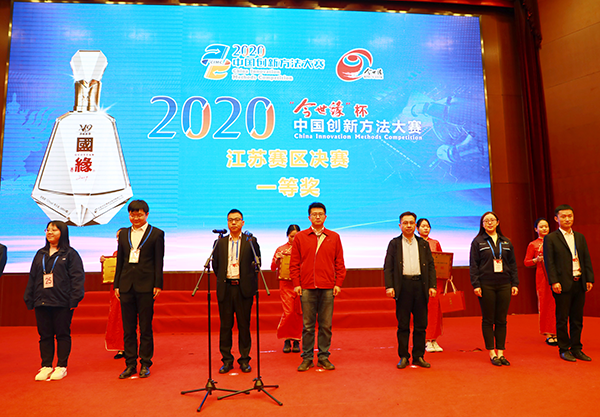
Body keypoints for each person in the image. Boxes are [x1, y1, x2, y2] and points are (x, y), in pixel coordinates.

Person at [24, 221, 85, 381]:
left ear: (62, 233)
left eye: (54, 230)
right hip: (41, 300)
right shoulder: (40, 253)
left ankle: (61, 366)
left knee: (62, 334)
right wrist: (29, 297)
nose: (50, 232)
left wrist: (74, 299)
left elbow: (77, 278)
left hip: (62, 301)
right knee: (45, 335)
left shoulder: (70, 254)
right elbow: (33, 276)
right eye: (48, 230)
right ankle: (46, 365)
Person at [291, 202, 346, 372]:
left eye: (320, 214)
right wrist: (296, 284)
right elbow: (294, 263)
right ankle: (307, 358)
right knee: (308, 326)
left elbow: (340, 263)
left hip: (328, 287)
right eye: (314, 214)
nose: (317, 217)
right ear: (309, 217)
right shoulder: (300, 237)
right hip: (306, 287)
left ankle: (323, 357)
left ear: (325, 217)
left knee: (325, 325)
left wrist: (338, 283)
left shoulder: (334, 237)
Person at [114, 200, 164, 379]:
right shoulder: (124, 234)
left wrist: (158, 284)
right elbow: (120, 260)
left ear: (146, 215)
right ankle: (130, 364)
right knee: (128, 328)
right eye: (132, 215)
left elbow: (159, 261)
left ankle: (145, 363)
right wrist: (117, 284)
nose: (135, 218)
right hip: (126, 285)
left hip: (146, 286)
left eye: (139, 215)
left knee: (145, 327)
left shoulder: (156, 234)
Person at [384, 212, 437, 369]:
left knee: (421, 324)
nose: (408, 225)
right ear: (400, 225)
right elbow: (388, 267)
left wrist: (432, 286)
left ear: (415, 225)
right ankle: (403, 356)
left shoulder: (423, 244)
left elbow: (431, 266)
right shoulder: (394, 243)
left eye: (411, 223)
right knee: (403, 325)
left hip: (420, 286)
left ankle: (419, 356)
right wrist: (390, 286)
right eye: (405, 223)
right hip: (403, 287)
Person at [543, 204, 594, 362]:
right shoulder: (551, 238)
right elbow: (549, 262)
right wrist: (554, 282)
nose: (567, 219)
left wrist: (589, 278)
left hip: (579, 281)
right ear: (556, 218)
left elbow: (586, 258)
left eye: (570, 216)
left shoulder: (579, 237)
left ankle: (577, 348)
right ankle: (564, 349)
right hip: (562, 283)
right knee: (562, 318)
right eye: (563, 216)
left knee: (577, 318)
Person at [212, 209, 260, 374]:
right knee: (225, 326)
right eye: (230, 220)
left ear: (242, 222)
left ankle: (244, 360)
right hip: (226, 288)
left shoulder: (251, 241)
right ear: (227, 222)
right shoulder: (219, 242)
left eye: (237, 219)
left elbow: (257, 263)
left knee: (244, 326)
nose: (233, 223)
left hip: (243, 289)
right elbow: (216, 266)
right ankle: (226, 360)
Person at [469, 211, 519, 366]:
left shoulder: (506, 241)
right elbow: (474, 266)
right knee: (488, 319)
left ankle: (501, 352)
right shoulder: (478, 242)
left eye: (492, 220)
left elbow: (512, 264)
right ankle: (492, 353)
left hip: (504, 284)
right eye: (486, 221)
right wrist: (476, 285)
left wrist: (515, 283)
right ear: (482, 224)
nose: (489, 223)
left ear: (498, 222)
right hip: (486, 285)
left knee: (501, 320)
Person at [524, 218, 557, 345]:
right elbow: (526, 262)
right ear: (536, 229)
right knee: (544, 304)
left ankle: (557, 331)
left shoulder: (555, 241)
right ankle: (548, 332)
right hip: (542, 276)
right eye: (541, 227)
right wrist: (536, 260)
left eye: (546, 226)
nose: (544, 229)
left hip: (556, 275)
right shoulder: (533, 244)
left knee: (557, 304)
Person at [271, 224, 302, 353]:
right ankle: (287, 339)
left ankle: (297, 340)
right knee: (288, 312)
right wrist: (277, 259)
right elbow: (273, 268)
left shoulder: (304, 248)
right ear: (287, 235)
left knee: (298, 312)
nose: (294, 239)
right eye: (291, 236)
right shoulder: (281, 249)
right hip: (285, 284)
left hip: (300, 284)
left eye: (296, 236)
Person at [416, 218, 444, 353]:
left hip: (435, 281)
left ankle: (434, 339)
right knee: (423, 311)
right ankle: (426, 340)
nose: (426, 228)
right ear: (417, 229)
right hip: (419, 281)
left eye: (428, 226)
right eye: (423, 226)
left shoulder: (435, 243)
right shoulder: (414, 243)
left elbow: (443, 261)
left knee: (435, 310)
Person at [100, 228, 126, 359]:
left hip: (132, 288)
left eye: (120, 236)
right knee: (117, 317)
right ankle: (120, 348)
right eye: (117, 236)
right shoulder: (115, 254)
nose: (118, 239)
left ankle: (133, 346)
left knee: (131, 318)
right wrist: (104, 263)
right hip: (117, 290)